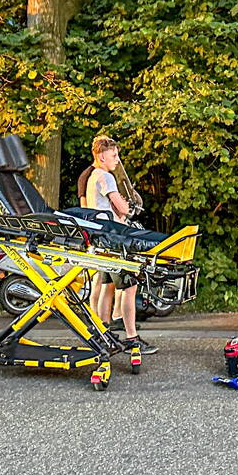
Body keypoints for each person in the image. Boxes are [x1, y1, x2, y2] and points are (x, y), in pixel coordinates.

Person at [85, 136, 158, 354]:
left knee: (107, 286)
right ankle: (131, 339)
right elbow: (123, 208)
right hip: (115, 241)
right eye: (114, 155)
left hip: (102, 240)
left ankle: (103, 333)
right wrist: (128, 206)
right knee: (129, 287)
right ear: (101, 156)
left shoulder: (93, 177)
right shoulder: (105, 177)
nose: (117, 160)